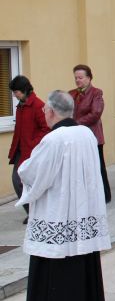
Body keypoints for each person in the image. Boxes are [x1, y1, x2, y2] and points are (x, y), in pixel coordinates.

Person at [18, 90, 110, 301]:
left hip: (58, 213)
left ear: (51, 111)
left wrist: (23, 169)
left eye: (45, 111)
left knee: (53, 267)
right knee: (82, 264)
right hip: (81, 213)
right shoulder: (86, 134)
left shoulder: (53, 140)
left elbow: (35, 174)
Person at [8, 76, 50, 224]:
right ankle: (31, 212)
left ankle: (37, 213)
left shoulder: (38, 105)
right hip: (20, 151)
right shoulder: (20, 106)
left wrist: (33, 144)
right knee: (17, 181)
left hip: (32, 152)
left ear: (25, 90)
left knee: (28, 183)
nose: (14, 95)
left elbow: (46, 128)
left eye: (16, 91)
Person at [69, 65, 111, 203]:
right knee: (81, 168)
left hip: (93, 137)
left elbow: (95, 113)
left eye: (80, 77)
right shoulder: (72, 94)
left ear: (89, 78)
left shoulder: (96, 93)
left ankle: (105, 195)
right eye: (76, 78)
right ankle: (87, 195)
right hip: (76, 137)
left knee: (98, 167)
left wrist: (75, 123)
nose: (77, 80)